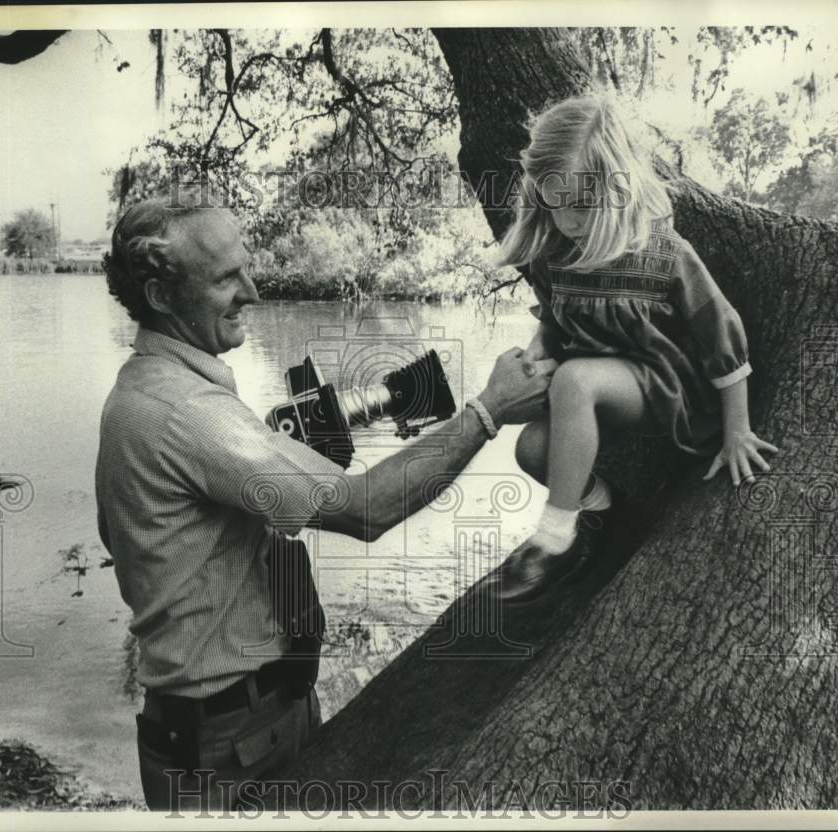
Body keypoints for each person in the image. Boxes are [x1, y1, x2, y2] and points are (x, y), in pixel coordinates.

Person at [94, 197, 557, 811]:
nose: (252, 291)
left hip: (227, 726)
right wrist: (488, 411)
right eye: (225, 278)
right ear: (159, 295)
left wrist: (281, 471)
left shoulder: (146, 392)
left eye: (246, 268)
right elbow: (366, 510)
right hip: (228, 743)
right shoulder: (187, 413)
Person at [489, 92, 778, 603]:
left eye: (579, 206)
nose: (565, 220)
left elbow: (721, 331)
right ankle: (603, 511)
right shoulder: (553, 255)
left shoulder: (661, 253)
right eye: (551, 204)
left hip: (666, 386)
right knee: (530, 449)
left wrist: (738, 430)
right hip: (597, 395)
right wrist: (536, 357)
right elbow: (556, 325)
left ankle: (554, 540)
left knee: (578, 379)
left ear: (615, 188)